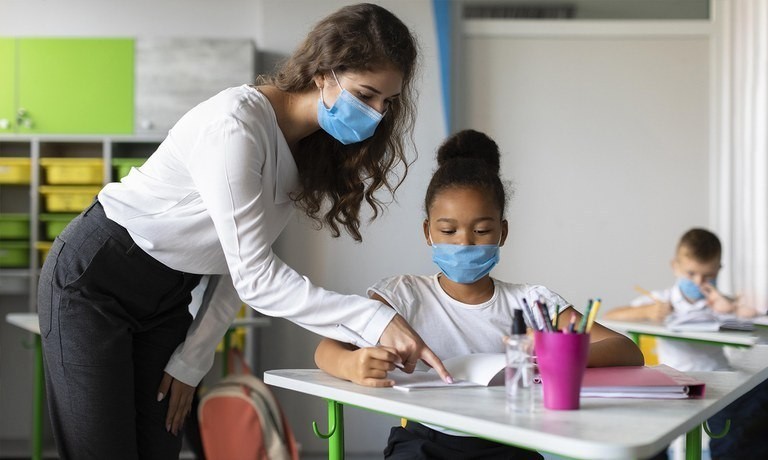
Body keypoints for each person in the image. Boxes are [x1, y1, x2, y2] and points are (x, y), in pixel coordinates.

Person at [37, 4, 451, 459]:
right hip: (96, 279)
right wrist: (373, 319)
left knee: (158, 445)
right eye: (367, 94)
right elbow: (256, 276)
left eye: (386, 102)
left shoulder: (303, 151)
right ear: (323, 72)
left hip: (167, 297)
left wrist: (192, 359)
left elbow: (236, 265)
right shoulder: (237, 124)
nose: (376, 114)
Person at [314, 130, 644, 459]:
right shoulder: (404, 295)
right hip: (424, 443)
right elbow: (328, 348)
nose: (464, 243)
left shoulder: (532, 302)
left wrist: (555, 354)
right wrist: (350, 363)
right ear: (427, 232)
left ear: (503, 232)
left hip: (509, 442)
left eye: (482, 231)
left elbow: (627, 350)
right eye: (448, 230)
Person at [603, 228, 757, 372]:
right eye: (691, 273)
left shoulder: (723, 302)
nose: (698, 281)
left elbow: (756, 324)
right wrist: (647, 311)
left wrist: (733, 309)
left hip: (721, 373)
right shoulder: (662, 299)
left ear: (718, 270)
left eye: (708, 275)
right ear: (675, 267)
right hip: (677, 377)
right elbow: (610, 315)